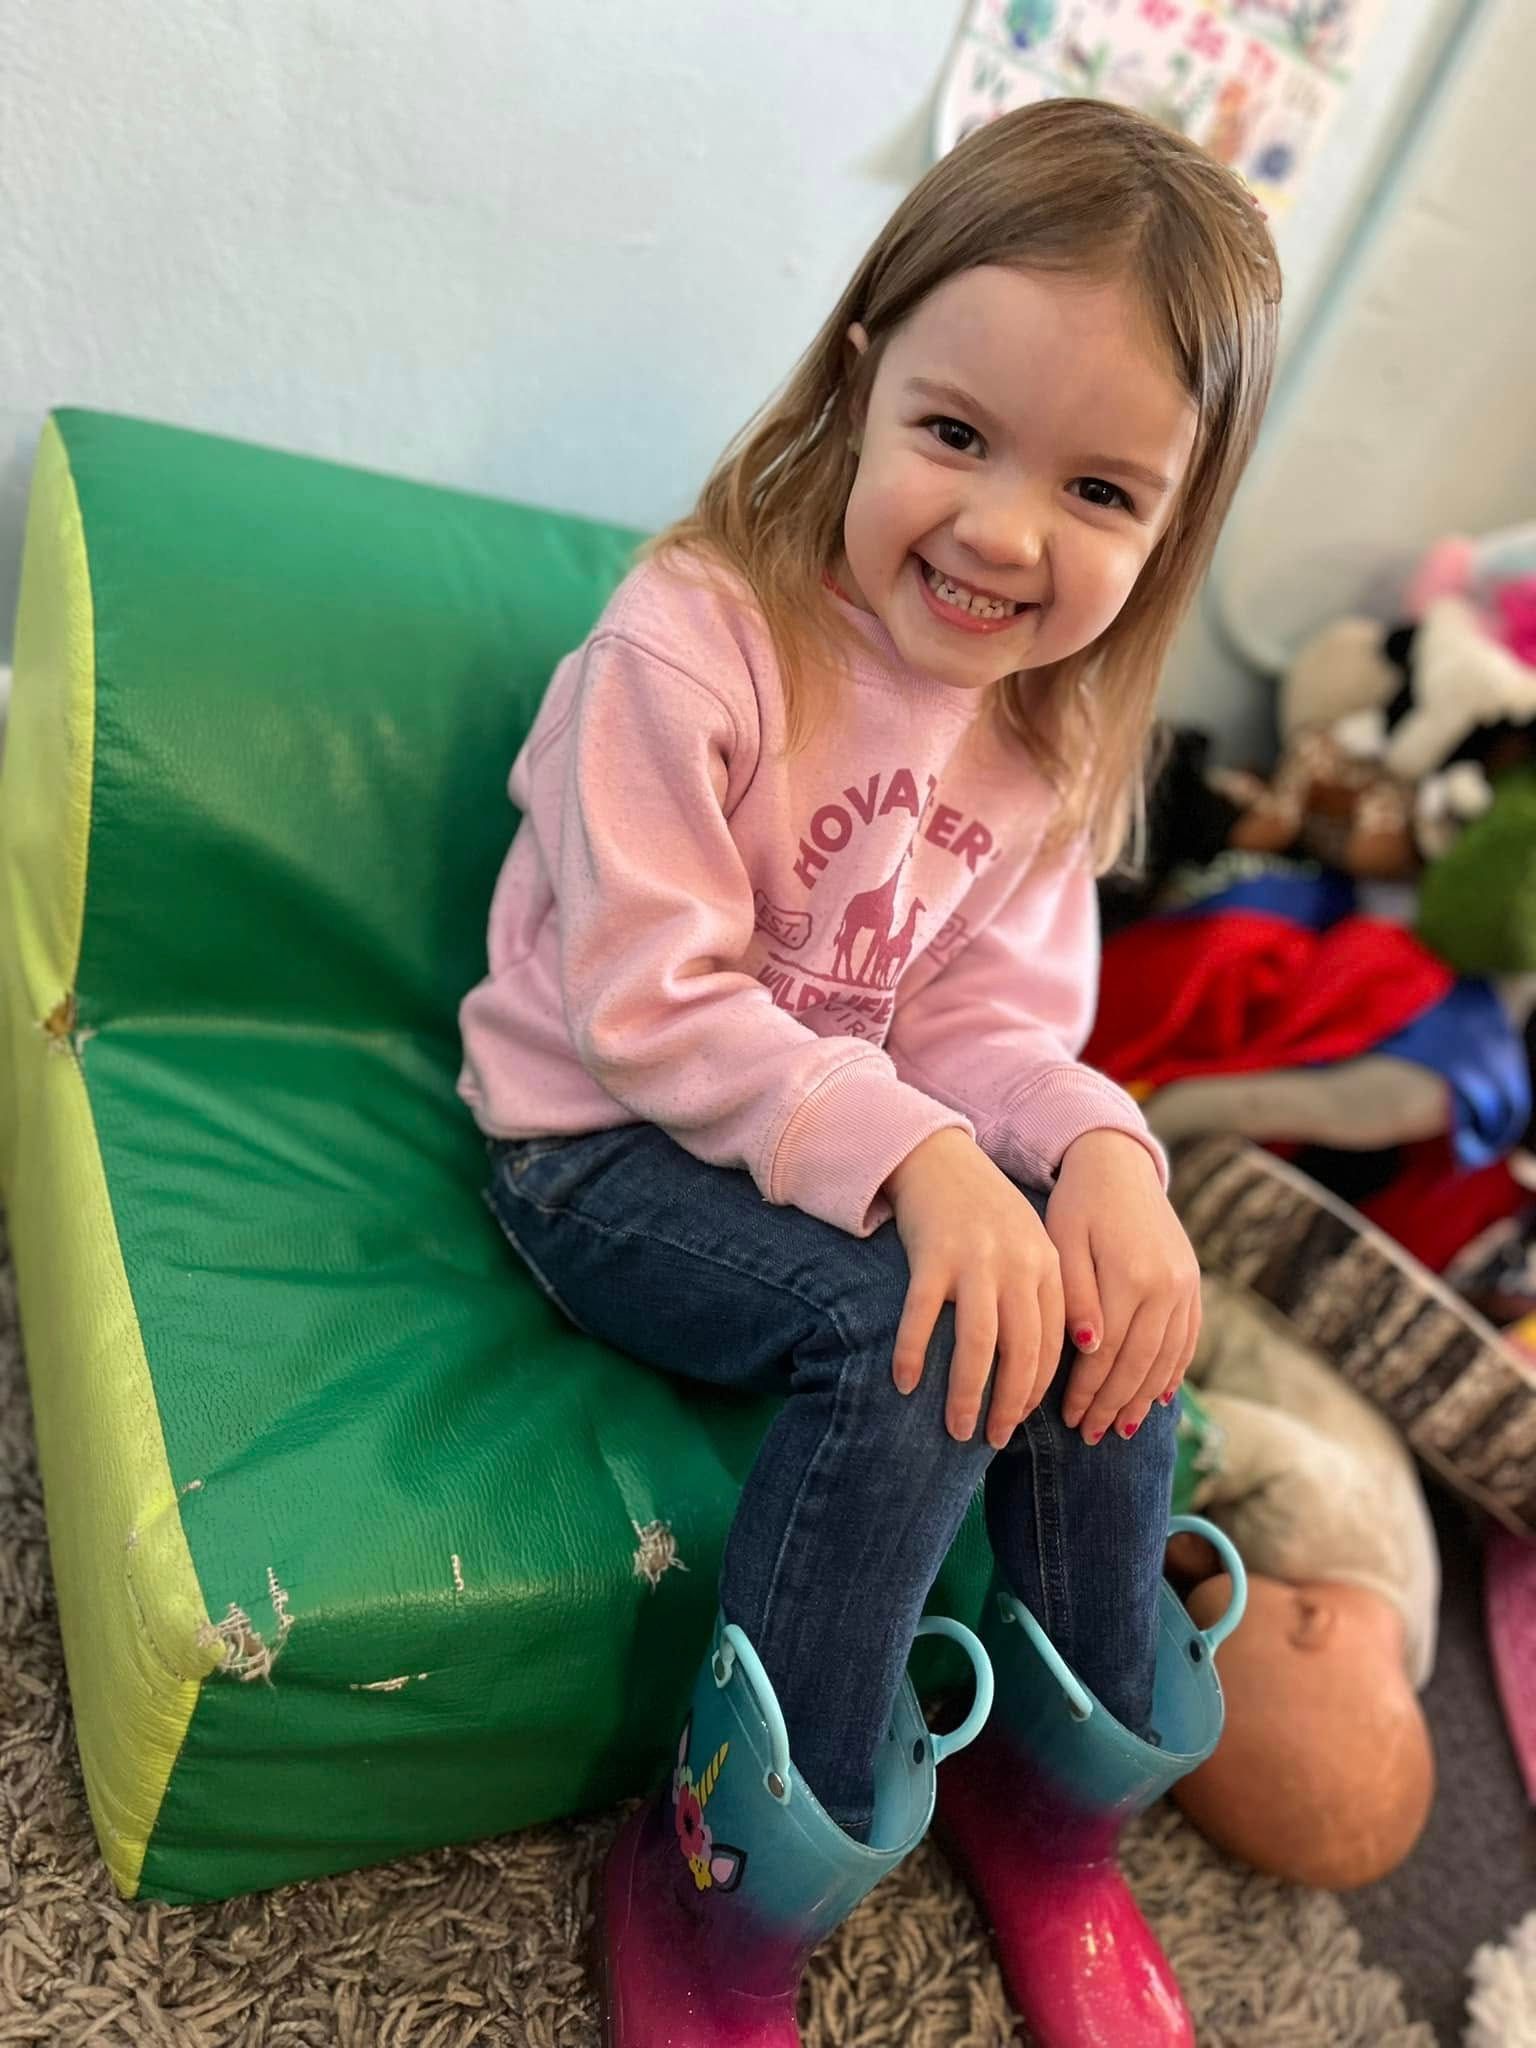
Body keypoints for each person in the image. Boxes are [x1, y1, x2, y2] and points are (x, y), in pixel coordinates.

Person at [459, 96, 1279, 2048]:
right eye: (957, 436)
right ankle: (732, 1879)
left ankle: (1055, 1805)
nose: (1004, 531)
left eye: (1100, 493)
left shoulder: (1046, 729)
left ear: (1170, 529)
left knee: (1096, 1306)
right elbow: (643, 1008)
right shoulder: (694, 645)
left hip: (840, 1130)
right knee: (920, 1341)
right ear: (861, 381)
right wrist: (923, 1162)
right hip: (602, 1138)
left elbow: (991, 1021)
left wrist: (1097, 1154)